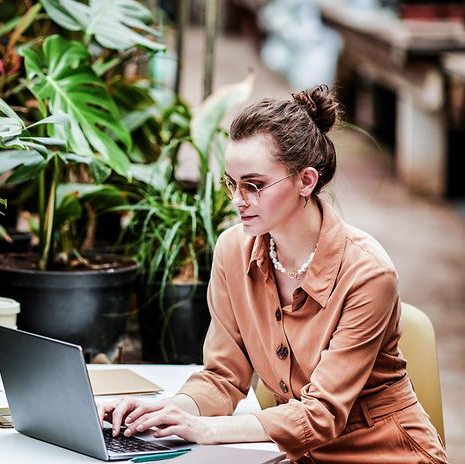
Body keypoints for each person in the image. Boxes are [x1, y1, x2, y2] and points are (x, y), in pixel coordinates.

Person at [98, 85, 448, 463]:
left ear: (306, 181)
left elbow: (321, 415)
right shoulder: (233, 250)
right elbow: (223, 375)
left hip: (387, 455)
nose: (237, 200)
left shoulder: (368, 274)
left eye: (255, 185)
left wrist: (208, 431)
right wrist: (172, 412)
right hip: (293, 455)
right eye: (232, 183)